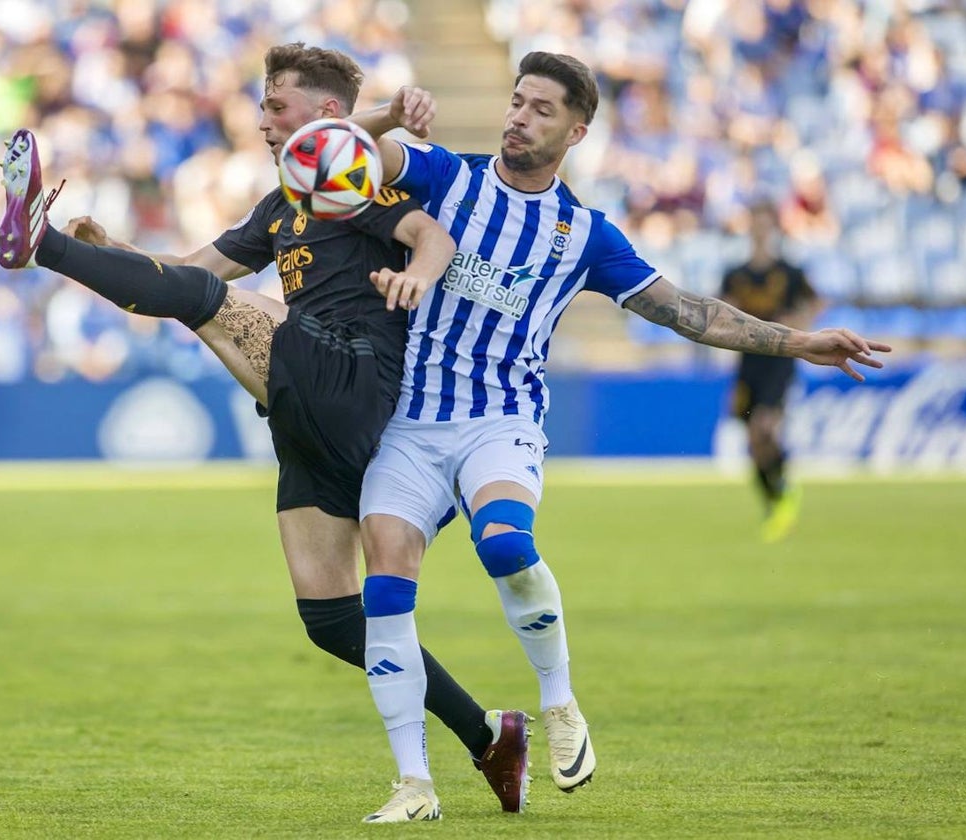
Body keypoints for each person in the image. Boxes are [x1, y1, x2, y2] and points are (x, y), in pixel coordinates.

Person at [348, 51, 891, 822]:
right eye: (516, 101)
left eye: (540, 109)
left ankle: (560, 703)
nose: (518, 117)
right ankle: (415, 784)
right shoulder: (446, 176)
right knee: (386, 587)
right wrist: (384, 117)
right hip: (411, 421)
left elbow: (688, 312)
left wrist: (797, 342)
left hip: (501, 420)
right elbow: (337, 150)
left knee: (505, 545)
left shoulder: (585, 235)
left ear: (577, 129)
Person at [0, 43, 530, 813]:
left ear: (327, 117)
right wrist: (115, 251)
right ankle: (489, 733)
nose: (263, 120)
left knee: (199, 301)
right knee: (332, 618)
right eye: (264, 106)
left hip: (352, 375)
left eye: (277, 106)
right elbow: (188, 265)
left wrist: (418, 275)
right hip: (307, 412)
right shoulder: (282, 205)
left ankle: (36, 245)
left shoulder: (358, 179)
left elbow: (431, 238)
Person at [721, 199, 823, 542]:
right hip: (748, 361)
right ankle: (774, 499)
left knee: (766, 426)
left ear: (774, 229)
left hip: (779, 360)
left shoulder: (789, 273)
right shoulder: (736, 274)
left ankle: (784, 490)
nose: (760, 232)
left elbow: (815, 301)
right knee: (753, 439)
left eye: (766, 225)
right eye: (756, 225)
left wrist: (801, 324)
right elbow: (720, 309)